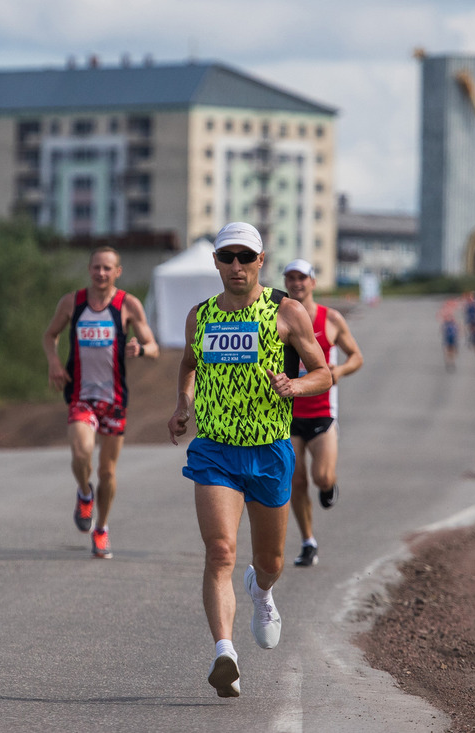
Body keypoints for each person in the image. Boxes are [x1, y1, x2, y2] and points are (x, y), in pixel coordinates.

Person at [167, 222, 331, 698]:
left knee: (270, 560)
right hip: (216, 450)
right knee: (220, 551)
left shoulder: (286, 312)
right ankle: (225, 654)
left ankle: (262, 593)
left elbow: (322, 372)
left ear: (261, 260)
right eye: (226, 257)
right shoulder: (200, 316)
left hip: (270, 450)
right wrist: (183, 404)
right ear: (216, 262)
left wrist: (296, 386)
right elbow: (189, 364)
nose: (235, 266)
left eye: (245, 257)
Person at [43, 246, 159, 559]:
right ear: (89, 269)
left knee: (107, 473)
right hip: (81, 395)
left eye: (108, 268)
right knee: (81, 452)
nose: (101, 273)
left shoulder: (128, 304)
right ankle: (84, 493)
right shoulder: (73, 302)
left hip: (114, 399)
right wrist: (54, 361)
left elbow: (153, 346)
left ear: (117, 272)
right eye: (96, 267)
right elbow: (49, 335)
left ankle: (102, 527)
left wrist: (141, 350)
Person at [281, 258, 363, 568]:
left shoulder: (330, 319)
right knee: (297, 482)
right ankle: (308, 541)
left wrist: (339, 370)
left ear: (313, 282)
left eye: (302, 277)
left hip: (322, 411)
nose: (296, 283)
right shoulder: (279, 317)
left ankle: (329, 486)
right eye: (290, 278)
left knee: (321, 476)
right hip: (288, 415)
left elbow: (357, 356)